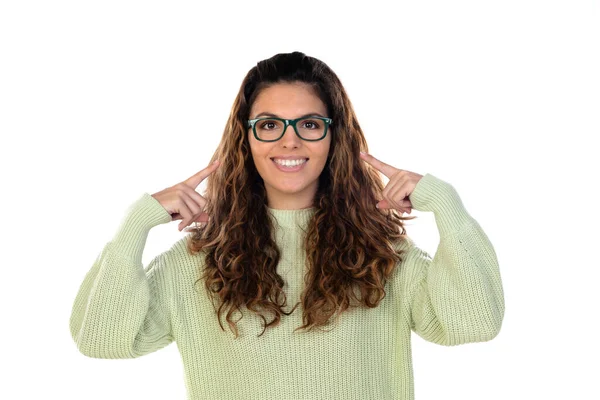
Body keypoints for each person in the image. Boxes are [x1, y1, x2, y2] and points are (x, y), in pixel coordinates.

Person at [69, 51, 505, 400]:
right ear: (247, 137)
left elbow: (473, 325)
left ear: (334, 137)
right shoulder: (198, 260)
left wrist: (450, 210)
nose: (289, 140)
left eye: (310, 124)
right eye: (270, 125)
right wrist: (134, 227)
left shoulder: (384, 254)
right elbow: (102, 340)